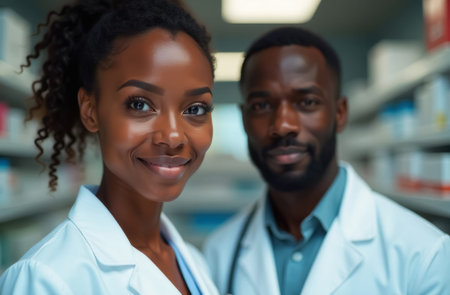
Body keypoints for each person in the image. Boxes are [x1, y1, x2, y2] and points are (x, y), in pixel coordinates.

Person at [203, 27, 450, 295]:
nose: (283, 125)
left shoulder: (423, 254)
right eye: (262, 106)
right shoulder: (220, 252)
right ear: (243, 119)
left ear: (340, 113)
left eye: (307, 102)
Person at [0, 0, 219, 294]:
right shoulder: (47, 277)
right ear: (90, 110)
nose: (173, 136)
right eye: (140, 104)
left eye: (195, 108)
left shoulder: (192, 261)